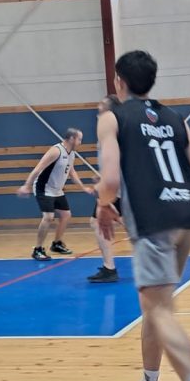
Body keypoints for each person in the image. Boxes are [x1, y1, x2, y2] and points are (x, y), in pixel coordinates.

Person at [97, 50, 190, 381]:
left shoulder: (112, 118)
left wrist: (102, 205)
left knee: (158, 309)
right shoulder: (177, 119)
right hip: (185, 219)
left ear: (119, 82)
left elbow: (110, 181)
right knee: (156, 308)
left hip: (152, 220)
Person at [16, 128, 95, 261]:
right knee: (48, 217)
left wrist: (83, 188)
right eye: (79, 139)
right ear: (71, 139)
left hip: (57, 190)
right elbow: (38, 169)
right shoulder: (56, 151)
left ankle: (56, 244)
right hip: (44, 188)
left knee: (66, 215)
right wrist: (26, 185)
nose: (80, 142)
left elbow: (72, 172)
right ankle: (38, 249)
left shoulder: (71, 153)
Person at [88, 95, 123, 283]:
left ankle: (110, 268)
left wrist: (107, 181)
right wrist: (102, 177)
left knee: (99, 222)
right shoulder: (109, 126)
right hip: (114, 184)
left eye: (102, 103)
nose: (98, 105)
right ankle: (109, 267)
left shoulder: (109, 124)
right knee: (98, 221)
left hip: (116, 187)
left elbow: (115, 158)